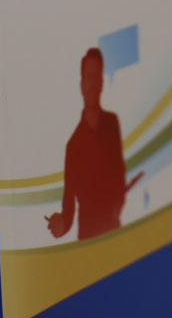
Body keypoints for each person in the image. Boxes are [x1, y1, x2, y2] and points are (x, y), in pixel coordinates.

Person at [45, 48, 127, 241]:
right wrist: (61, 224)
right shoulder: (73, 146)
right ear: (82, 85)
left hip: (115, 232)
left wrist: (115, 209)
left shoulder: (112, 124)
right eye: (88, 78)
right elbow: (69, 205)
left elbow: (119, 176)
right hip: (89, 239)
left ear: (102, 83)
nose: (93, 84)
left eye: (97, 77)